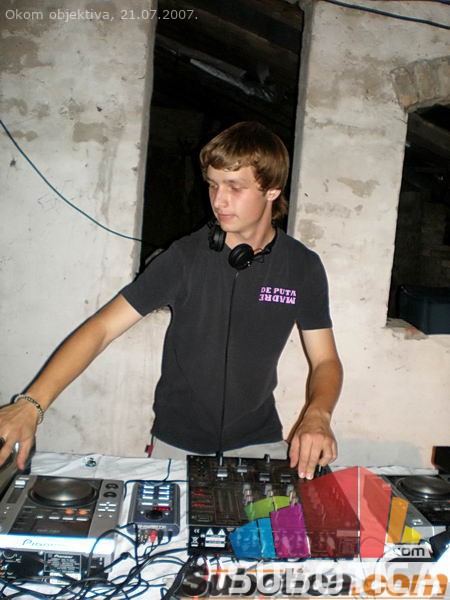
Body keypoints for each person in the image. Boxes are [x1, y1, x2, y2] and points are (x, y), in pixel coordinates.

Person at [0, 121, 342, 479]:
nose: (219, 200)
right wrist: (32, 404)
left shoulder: (302, 267)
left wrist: (318, 414)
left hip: (261, 441)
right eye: (213, 185)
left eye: (234, 187)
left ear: (272, 190)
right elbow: (101, 329)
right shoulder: (184, 258)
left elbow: (325, 360)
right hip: (176, 445)